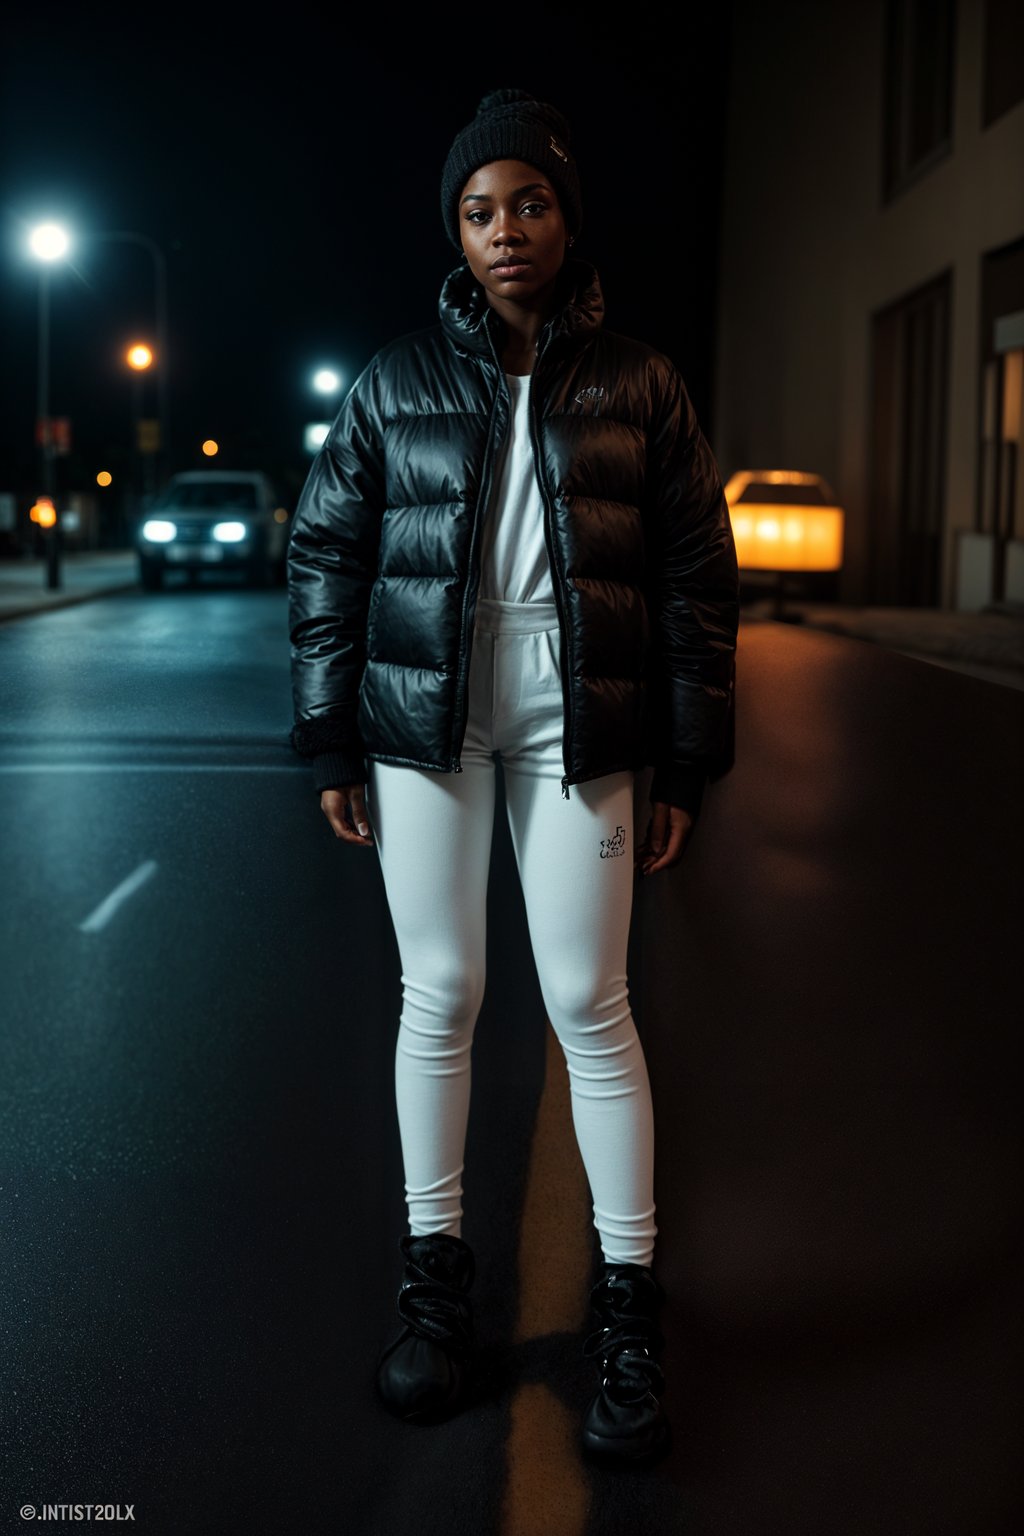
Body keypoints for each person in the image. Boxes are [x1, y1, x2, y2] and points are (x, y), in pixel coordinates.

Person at [287, 87, 739, 1469]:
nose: (505, 233)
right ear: (456, 232)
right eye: (480, 212)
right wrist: (331, 732)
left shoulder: (642, 384)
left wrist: (686, 762)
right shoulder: (393, 381)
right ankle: (437, 1299)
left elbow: (693, 582)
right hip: (426, 716)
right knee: (444, 991)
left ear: (565, 216)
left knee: (589, 1005)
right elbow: (327, 561)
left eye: (528, 205)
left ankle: (625, 1318)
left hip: (581, 720)